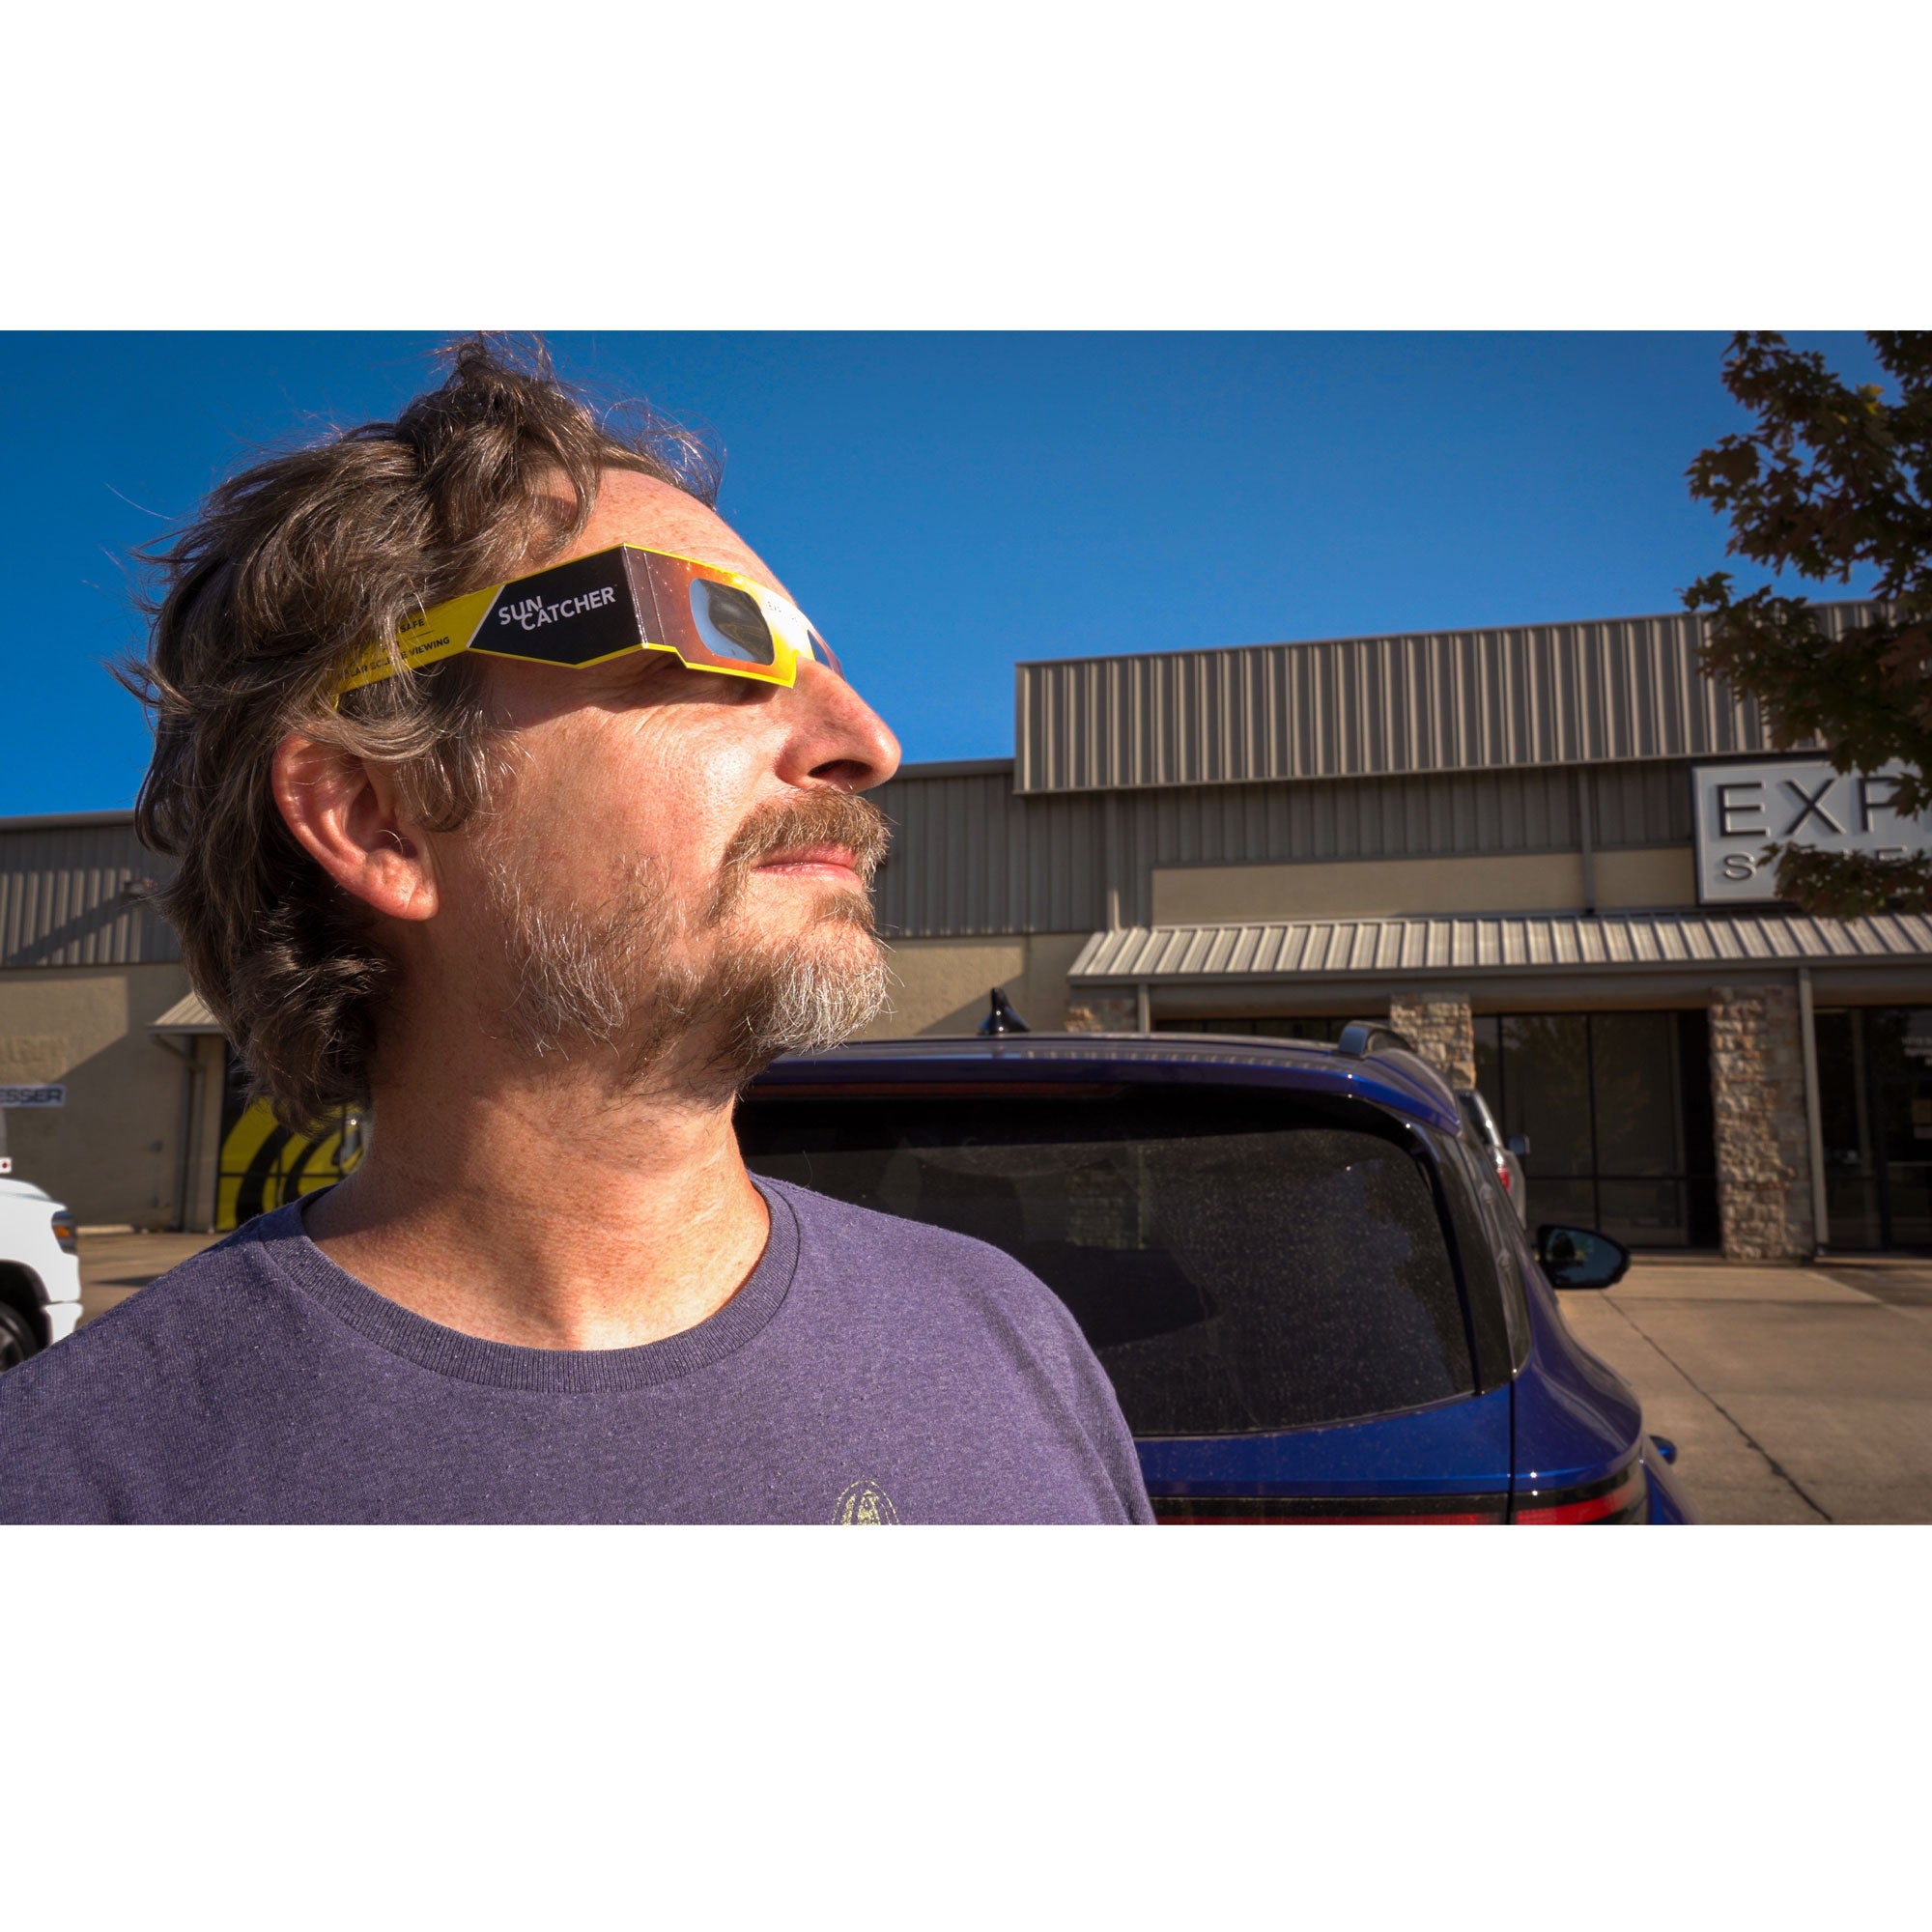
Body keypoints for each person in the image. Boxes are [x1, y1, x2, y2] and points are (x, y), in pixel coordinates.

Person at [0, 340, 1152, 1525]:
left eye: (823, 660)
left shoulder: (1007, 1336)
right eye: (715, 638)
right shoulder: (74, 1482)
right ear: (379, 815)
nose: (867, 739)